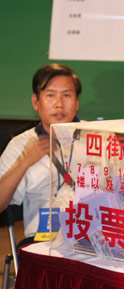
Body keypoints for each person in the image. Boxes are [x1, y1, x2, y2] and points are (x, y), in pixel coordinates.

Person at [0, 64, 81, 243]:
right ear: (35, 102)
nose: (59, 104)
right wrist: (24, 162)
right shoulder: (20, 145)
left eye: (66, 95)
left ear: (76, 102)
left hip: (90, 236)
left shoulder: (99, 139)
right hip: (43, 242)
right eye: (50, 95)